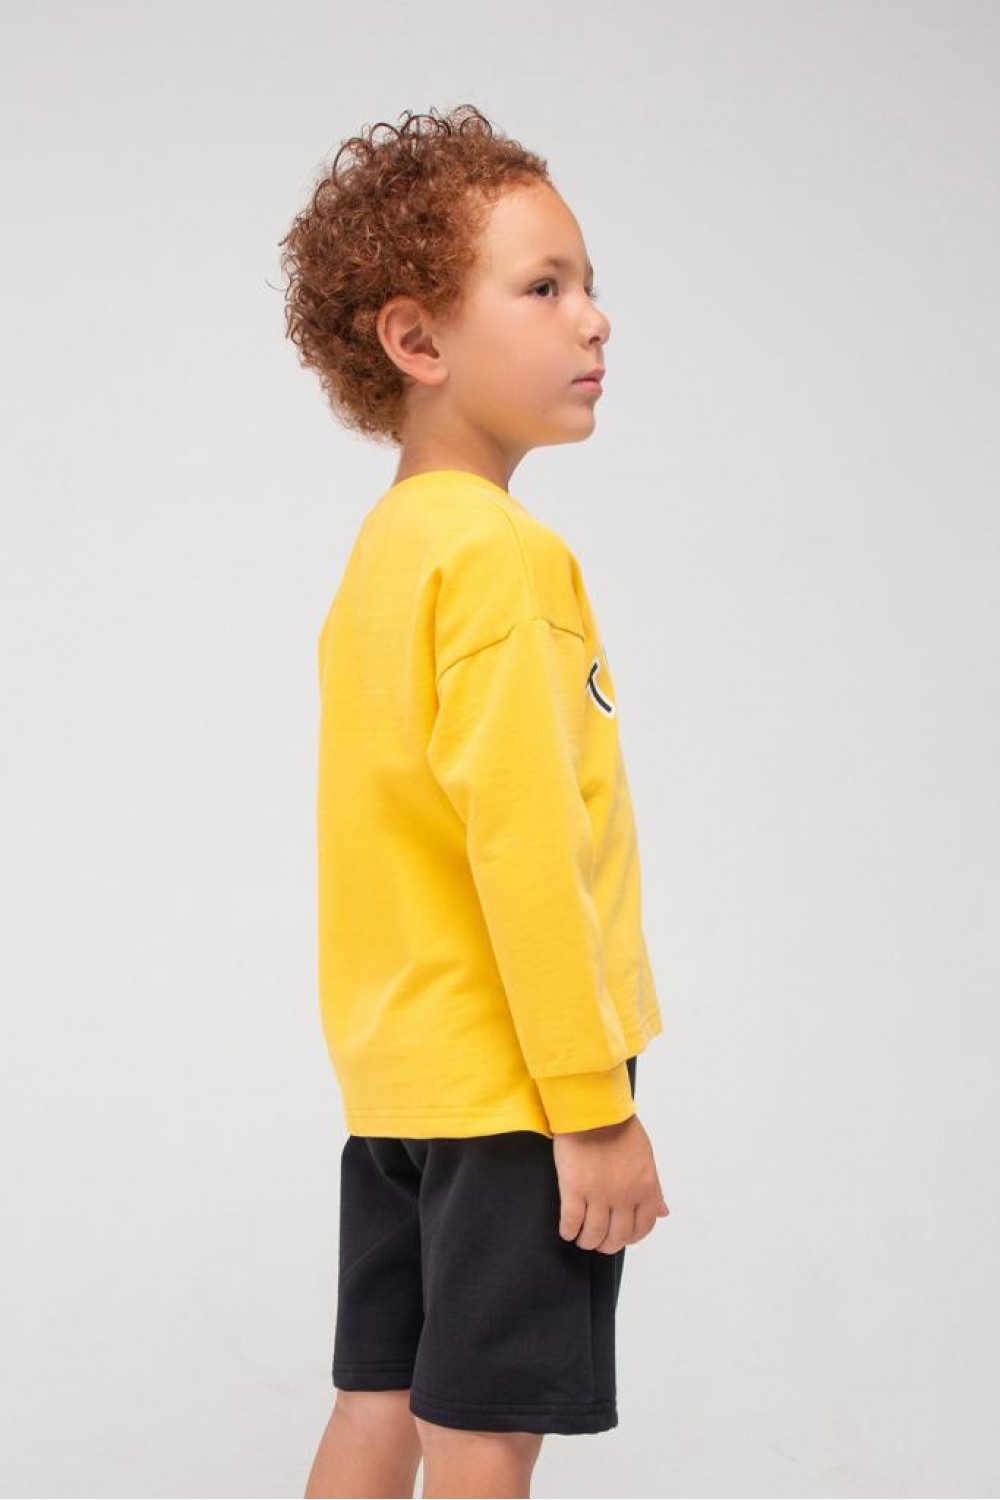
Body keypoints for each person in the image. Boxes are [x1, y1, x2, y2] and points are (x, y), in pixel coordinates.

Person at [279, 103, 670, 1500]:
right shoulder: (502, 560)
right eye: (544, 287)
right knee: (487, 1432)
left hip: (399, 1083)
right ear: (417, 342)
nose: (595, 319)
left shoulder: (386, 553)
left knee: (377, 1403)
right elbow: (525, 848)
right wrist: (593, 1107)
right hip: (516, 1094)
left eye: (588, 283)